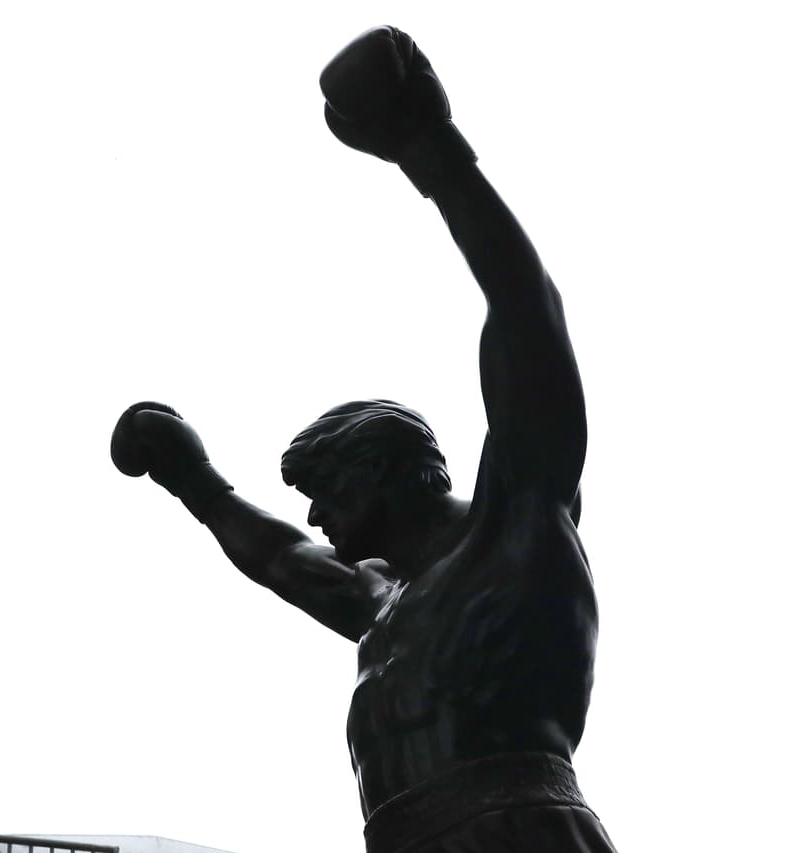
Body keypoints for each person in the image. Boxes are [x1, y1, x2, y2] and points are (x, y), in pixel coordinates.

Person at [110, 26, 619, 853]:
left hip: (525, 829)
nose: (316, 517)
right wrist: (192, 479)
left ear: (388, 470)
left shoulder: (519, 523)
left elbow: (526, 313)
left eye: (329, 492)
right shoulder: (383, 601)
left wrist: (432, 153)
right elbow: (281, 558)